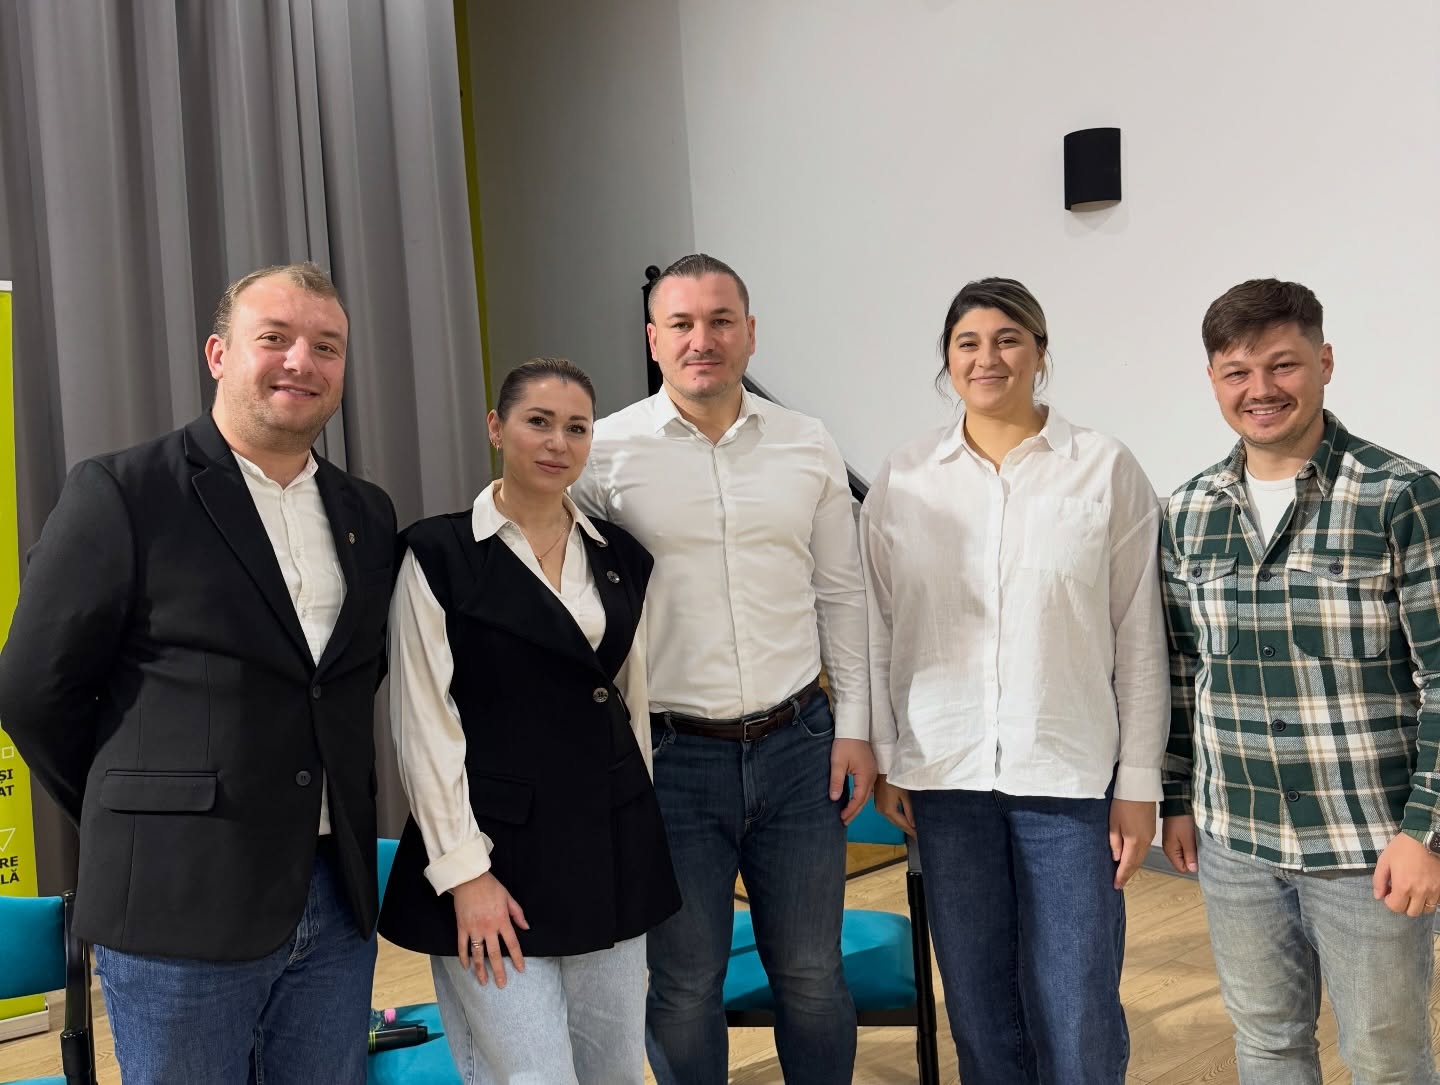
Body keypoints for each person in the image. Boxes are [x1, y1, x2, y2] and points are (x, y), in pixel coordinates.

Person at [0, 262, 397, 1084]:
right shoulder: (123, 492)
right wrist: (136, 809)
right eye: (275, 337)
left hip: (335, 897)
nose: (302, 361)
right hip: (178, 902)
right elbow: (33, 689)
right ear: (219, 354)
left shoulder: (367, 511)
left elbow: (346, 683)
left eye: (327, 346)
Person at [571, 253, 874, 1085]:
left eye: (719, 321)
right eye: (681, 323)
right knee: (682, 985)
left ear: (750, 333)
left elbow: (841, 593)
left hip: (799, 746)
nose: (701, 339)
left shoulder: (807, 443)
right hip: (669, 760)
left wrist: (855, 725)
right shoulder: (602, 453)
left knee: (812, 975)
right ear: (653, 339)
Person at [865, 277, 1168, 1082]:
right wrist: (891, 756)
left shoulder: (1102, 468)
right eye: (967, 342)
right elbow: (878, 625)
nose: (987, 357)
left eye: (1008, 339)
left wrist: (1139, 783)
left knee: (1077, 1004)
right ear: (947, 359)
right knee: (977, 1004)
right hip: (945, 777)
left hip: (1069, 780)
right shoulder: (905, 476)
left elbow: (1140, 635)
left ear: (1039, 353)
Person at [1160, 278, 1440, 1083]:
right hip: (1235, 838)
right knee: (1267, 1042)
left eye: (1282, 364)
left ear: (1325, 362)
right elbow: (1182, 671)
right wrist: (1176, 797)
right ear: (1213, 380)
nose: (1261, 389)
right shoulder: (1188, 510)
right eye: (1237, 372)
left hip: (1367, 843)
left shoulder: (1401, 495)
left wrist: (1425, 833)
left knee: (1385, 1058)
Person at [377, 357, 680, 1084]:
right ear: (496, 428)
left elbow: (630, 705)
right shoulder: (438, 554)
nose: (557, 442)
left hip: (609, 846)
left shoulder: (621, 557)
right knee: (532, 1076)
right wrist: (465, 876)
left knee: (613, 1071)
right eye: (538, 421)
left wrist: (637, 823)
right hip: (494, 858)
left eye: (576, 428)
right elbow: (424, 726)